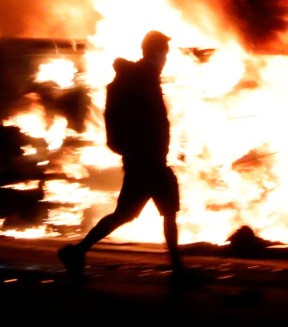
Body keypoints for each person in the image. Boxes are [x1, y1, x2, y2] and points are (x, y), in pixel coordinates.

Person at [58, 30, 192, 285]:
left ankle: (77, 252)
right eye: (164, 53)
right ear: (154, 53)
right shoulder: (139, 80)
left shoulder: (145, 79)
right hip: (145, 161)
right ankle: (178, 271)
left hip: (149, 160)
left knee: (140, 213)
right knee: (147, 212)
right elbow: (142, 122)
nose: (166, 58)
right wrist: (143, 150)